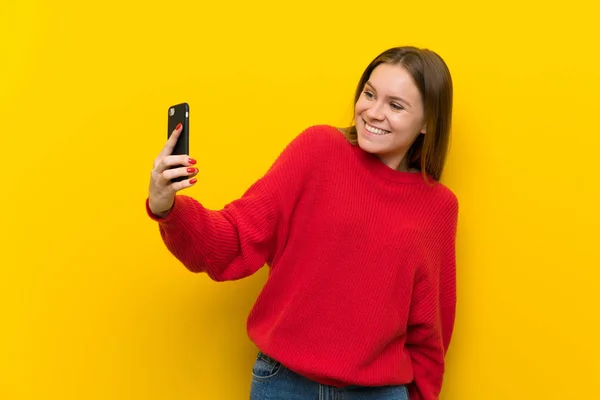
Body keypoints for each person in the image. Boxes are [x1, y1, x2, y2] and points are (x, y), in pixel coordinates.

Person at [146, 46, 458, 400]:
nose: (373, 112)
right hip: (285, 385)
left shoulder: (437, 206)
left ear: (427, 123)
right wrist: (167, 206)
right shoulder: (318, 150)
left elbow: (430, 330)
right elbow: (234, 239)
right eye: (369, 94)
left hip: (379, 393)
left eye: (395, 105)